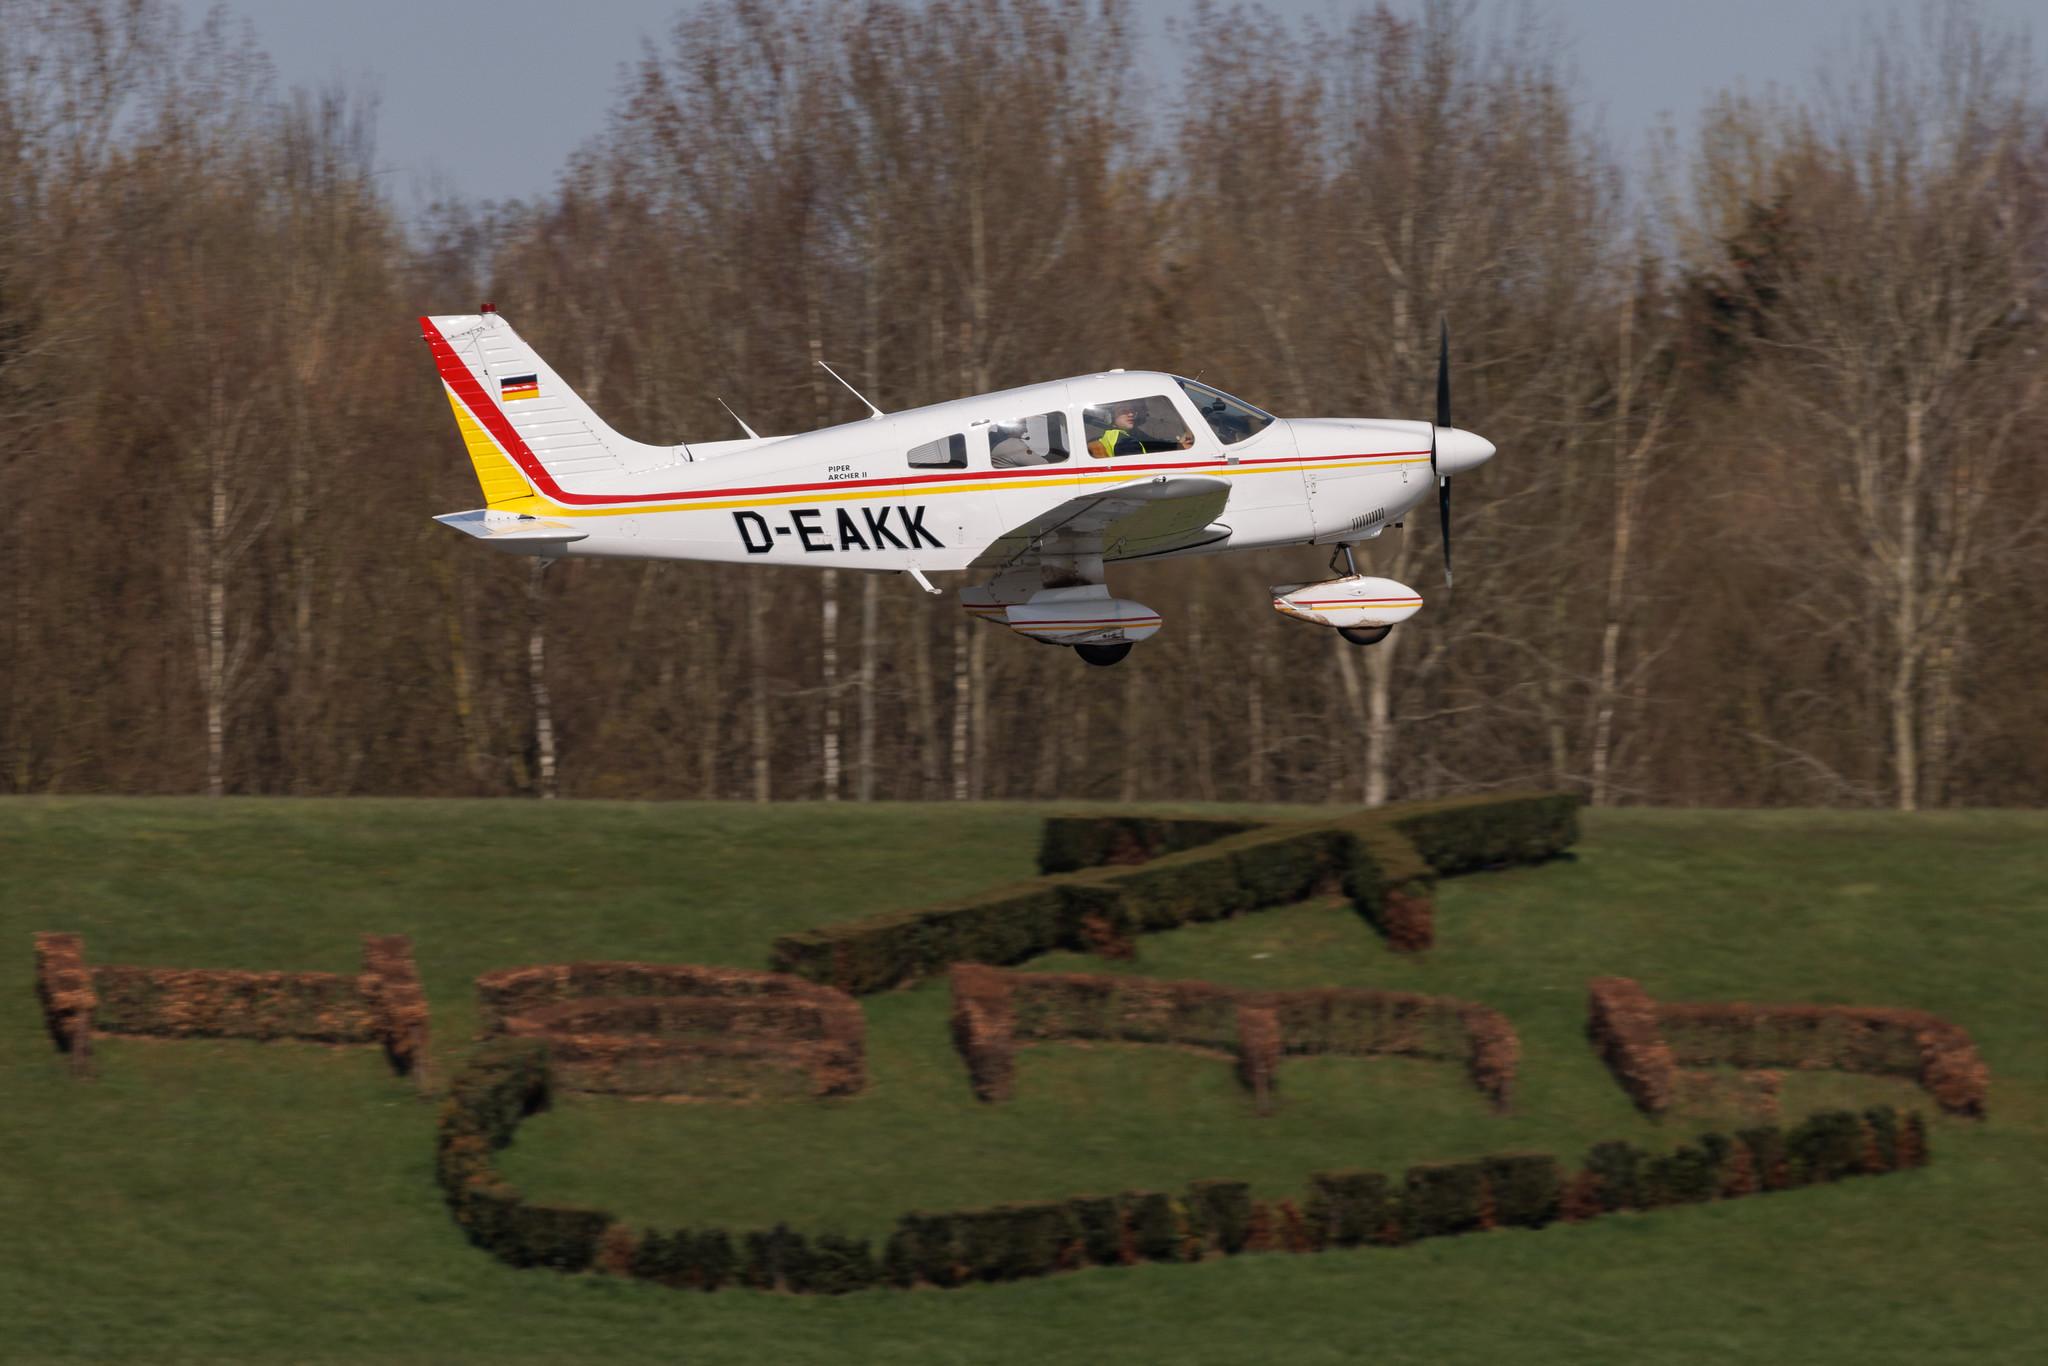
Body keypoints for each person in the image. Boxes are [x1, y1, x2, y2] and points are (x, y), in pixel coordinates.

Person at [1088, 398, 1195, 458]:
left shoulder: (1115, 434)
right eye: (1123, 411)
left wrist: (1177, 446)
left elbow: (1149, 444)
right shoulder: (1124, 442)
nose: (1130, 414)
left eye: (1132, 410)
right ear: (1110, 417)